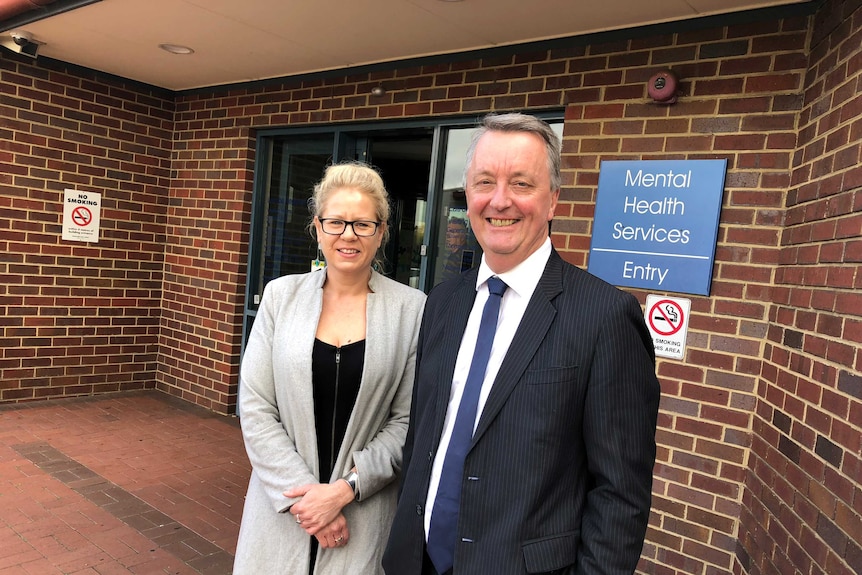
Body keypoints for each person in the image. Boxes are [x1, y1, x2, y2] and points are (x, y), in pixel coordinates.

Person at [383, 113, 660, 575]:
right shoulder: (444, 301)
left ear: (552, 200)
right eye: (485, 182)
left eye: (521, 184)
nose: (500, 200)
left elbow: (620, 493)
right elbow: (424, 435)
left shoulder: (604, 316)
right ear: (468, 195)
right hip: (418, 561)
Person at [234, 161, 426, 575]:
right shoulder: (279, 297)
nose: (348, 236)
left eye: (362, 224)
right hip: (282, 511)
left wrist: (342, 492)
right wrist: (309, 504)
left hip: (362, 516)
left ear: (382, 232)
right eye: (336, 222)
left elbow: (407, 420)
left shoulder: (412, 310)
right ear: (318, 228)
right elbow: (255, 407)